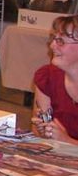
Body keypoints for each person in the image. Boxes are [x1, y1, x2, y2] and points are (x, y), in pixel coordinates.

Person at [31, 15, 78, 144]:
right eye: (53, 39)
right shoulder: (48, 77)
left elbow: (62, 139)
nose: (52, 46)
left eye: (61, 41)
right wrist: (44, 131)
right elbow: (37, 130)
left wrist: (67, 140)